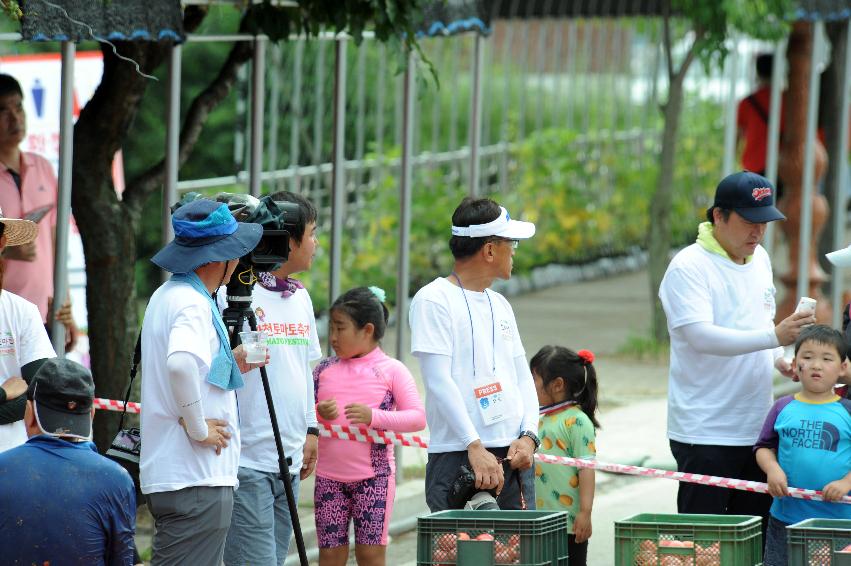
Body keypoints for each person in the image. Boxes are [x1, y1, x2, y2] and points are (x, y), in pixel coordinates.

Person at [659, 171, 815, 529]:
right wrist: (773, 337)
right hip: (705, 431)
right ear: (718, 216)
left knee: (755, 536)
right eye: (749, 222)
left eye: (765, 222)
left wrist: (780, 360)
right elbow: (701, 337)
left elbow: (756, 326)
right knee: (706, 541)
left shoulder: (759, 259)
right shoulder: (688, 267)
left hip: (756, 430)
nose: (758, 233)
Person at [140, 198, 266, 565]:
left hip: (182, 476)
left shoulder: (169, 295)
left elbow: (185, 369)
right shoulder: (192, 305)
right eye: (235, 250)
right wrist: (198, 429)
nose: (240, 260)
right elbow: (179, 365)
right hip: (194, 476)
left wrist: (229, 363)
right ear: (218, 256)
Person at [409, 197, 540, 512]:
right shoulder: (433, 300)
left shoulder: (501, 304)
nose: (514, 252)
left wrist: (530, 436)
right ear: (490, 250)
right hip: (460, 454)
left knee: (518, 557)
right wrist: (473, 444)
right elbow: (438, 381)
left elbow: (523, 377)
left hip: (513, 453)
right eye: (512, 243)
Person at [224, 191, 322, 566]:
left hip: (290, 460)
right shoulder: (236, 295)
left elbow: (305, 369)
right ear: (286, 239)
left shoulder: (300, 297)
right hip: (247, 461)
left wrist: (312, 430)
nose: (315, 244)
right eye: (311, 234)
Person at [313, 286, 426, 566]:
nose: (334, 337)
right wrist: (318, 413)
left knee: (371, 555)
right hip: (328, 479)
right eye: (332, 328)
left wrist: (374, 417)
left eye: (341, 328)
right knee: (329, 557)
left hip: (374, 479)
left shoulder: (392, 371)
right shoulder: (322, 370)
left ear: (367, 330)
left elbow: (417, 418)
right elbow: (303, 416)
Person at [0, 357, 136, 562]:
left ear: (29, 414)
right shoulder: (117, 479)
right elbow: (122, 558)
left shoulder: (3, 469)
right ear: (91, 414)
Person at [755, 325, 851, 566]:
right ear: (796, 363)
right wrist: (772, 469)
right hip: (786, 517)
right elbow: (764, 447)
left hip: (839, 521)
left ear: (842, 367)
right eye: (807, 357)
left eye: (827, 359)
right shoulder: (782, 407)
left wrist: (845, 483)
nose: (816, 365)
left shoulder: (847, 410)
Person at [0, 73, 78, 351]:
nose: (14, 118)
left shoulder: (42, 166)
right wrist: (7, 250)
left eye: (18, 107)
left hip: (46, 312)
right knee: (11, 394)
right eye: (3, 111)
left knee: (46, 392)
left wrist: (65, 303)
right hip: (4, 317)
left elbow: (57, 244)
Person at [530, 345, 599, 566]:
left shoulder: (577, 421)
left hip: (569, 524)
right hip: (538, 519)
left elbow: (586, 468)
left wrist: (585, 512)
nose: (529, 387)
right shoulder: (537, 417)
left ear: (557, 385)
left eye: (534, 381)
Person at [0, 207, 55, 452]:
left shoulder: (23, 311)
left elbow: (44, 395)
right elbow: (30, 400)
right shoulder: (22, 312)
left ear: (2, 241)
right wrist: (5, 395)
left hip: (13, 462)